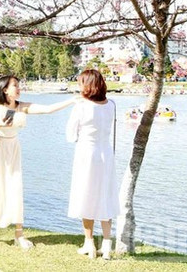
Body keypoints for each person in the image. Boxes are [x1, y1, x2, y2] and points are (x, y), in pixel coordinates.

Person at [0, 75, 77, 249]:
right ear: (5, 89)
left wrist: (72, 100)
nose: (19, 88)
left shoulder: (22, 106)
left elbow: (48, 109)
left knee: (15, 187)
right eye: (15, 85)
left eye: (18, 85)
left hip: (13, 149)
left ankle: (18, 235)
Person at [65, 69, 118, 260]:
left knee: (86, 195)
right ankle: (106, 244)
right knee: (105, 195)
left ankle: (89, 243)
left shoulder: (81, 107)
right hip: (106, 154)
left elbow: (71, 136)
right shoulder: (111, 104)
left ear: (86, 85)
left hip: (86, 154)